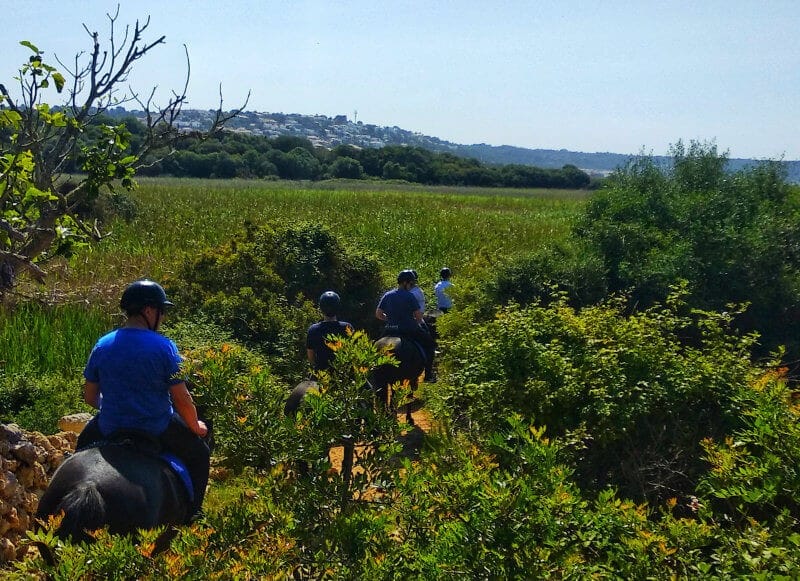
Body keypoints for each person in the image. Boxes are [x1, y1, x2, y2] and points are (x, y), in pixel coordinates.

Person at [76, 279, 210, 521]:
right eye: (162, 311)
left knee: (78, 452)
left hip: (109, 425)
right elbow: (181, 397)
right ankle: (194, 514)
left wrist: (114, 406)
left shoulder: (102, 344)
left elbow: (90, 396)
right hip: (157, 426)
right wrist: (195, 426)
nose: (163, 317)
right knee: (200, 455)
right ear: (149, 311)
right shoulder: (164, 347)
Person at [376, 269, 436, 382]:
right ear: (405, 283)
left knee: (376, 345)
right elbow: (418, 317)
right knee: (429, 345)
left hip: (390, 329)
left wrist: (389, 319)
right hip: (409, 329)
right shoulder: (409, 296)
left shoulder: (387, 295)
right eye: (411, 283)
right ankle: (428, 375)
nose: (411, 286)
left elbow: (378, 314)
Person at [306, 291, 354, 372]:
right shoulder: (347, 327)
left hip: (322, 374)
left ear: (321, 308)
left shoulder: (313, 330)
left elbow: (311, 357)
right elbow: (353, 352)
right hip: (344, 373)